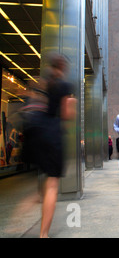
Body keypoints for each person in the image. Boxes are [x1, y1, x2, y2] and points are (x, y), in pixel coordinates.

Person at [23, 54, 77, 238]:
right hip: (53, 135)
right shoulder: (65, 87)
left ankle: (33, 199)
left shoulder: (40, 83)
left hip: (37, 135)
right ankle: (43, 234)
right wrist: (72, 104)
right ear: (63, 68)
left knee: (44, 181)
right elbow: (67, 115)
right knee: (52, 185)